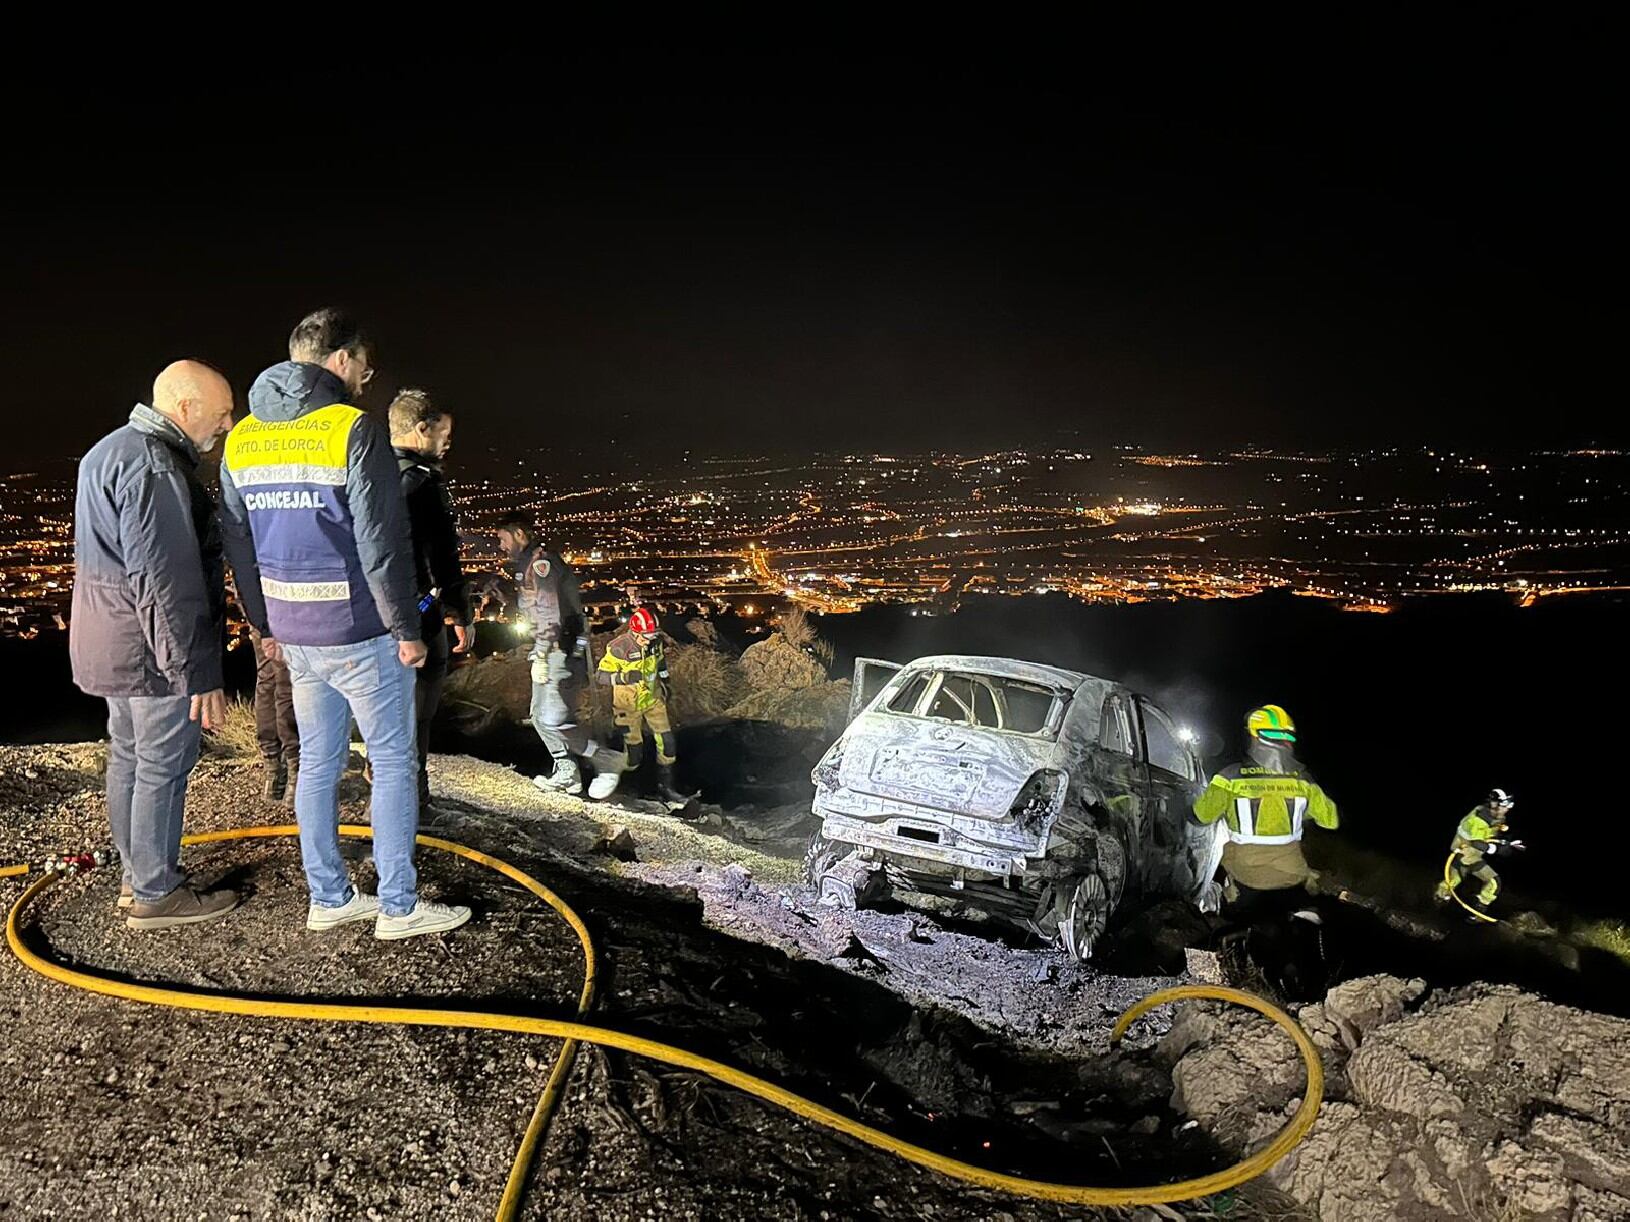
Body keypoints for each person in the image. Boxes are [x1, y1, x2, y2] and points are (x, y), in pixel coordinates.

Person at [219, 308, 469, 940]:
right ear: (339, 359)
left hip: (295, 635)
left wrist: (263, 623)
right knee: (390, 759)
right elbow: (381, 544)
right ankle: (398, 906)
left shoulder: (242, 439)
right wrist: (407, 630)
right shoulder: (352, 430)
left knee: (319, 765)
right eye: (363, 363)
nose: (365, 376)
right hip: (361, 631)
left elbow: (238, 544)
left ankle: (329, 897)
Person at [69, 361, 239, 929]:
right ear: (185, 407)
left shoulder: (108, 450)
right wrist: (195, 670)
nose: (228, 423)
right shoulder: (153, 465)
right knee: (163, 764)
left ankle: (136, 875)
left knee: (131, 759)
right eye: (221, 412)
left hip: (112, 642)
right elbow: (165, 582)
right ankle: (156, 891)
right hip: (151, 653)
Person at [1192, 704, 1339, 993]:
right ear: (1288, 741)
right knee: (1307, 915)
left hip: (1246, 882)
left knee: (1237, 914)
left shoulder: (1230, 777)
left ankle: (1246, 965)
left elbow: (1201, 815)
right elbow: (1331, 820)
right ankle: (1311, 984)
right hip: (1291, 879)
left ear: (1254, 738)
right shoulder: (1303, 781)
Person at [388, 389, 473, 807]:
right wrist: (459, 611)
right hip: (417, 610)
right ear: (422, 430)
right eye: (443, 433)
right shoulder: (421, 483)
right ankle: (412, 795)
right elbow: (442, 554)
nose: (446, 443)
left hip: (370, 615)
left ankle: (384, 777)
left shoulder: (364, 474)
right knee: (419, 707)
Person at [492, 513, 607, 798]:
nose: (501, 546)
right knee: (539, 715)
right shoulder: (530, 564)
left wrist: (542, 655)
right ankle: (569, 772)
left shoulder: (541, 564)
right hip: (553, 648)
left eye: (503, 539)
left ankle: (600, 761)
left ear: (519, 534)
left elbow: (549, 613)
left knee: (549, 718)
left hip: (559, 650)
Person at [595, 606, 686, 805]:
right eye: (646, 635)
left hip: (653, 700)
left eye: (653, 635)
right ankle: (622, 786)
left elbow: (660, 664)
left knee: (668, 744)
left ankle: (666, 788)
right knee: (633, 755)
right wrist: (624, 677)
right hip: (627, 707)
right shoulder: (619, 648)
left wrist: (666, 683)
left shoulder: (655, 643)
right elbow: (601, 676)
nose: (650, 639)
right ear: (634, 632)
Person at [1435, 789, 1522, 913]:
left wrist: (1506, 843)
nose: (1506, 810)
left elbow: (1490, 836)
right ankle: (1443, 904)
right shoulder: (1479, 819)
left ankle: (1471, 908)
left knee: (1488, 882)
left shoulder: (1495, 817)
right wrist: (1495, 849)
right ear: (1494, 804)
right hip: (1465, 855)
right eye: (1504, 806)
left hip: (1472, 856)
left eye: (1507, 807)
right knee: (1489, 882)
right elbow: (1477, 841)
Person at [251, 628, 298, 801]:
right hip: (282, 606)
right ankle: (295, 774)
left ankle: (274, 775)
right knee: (287, 683)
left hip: (255, 607)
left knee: (267, 678)